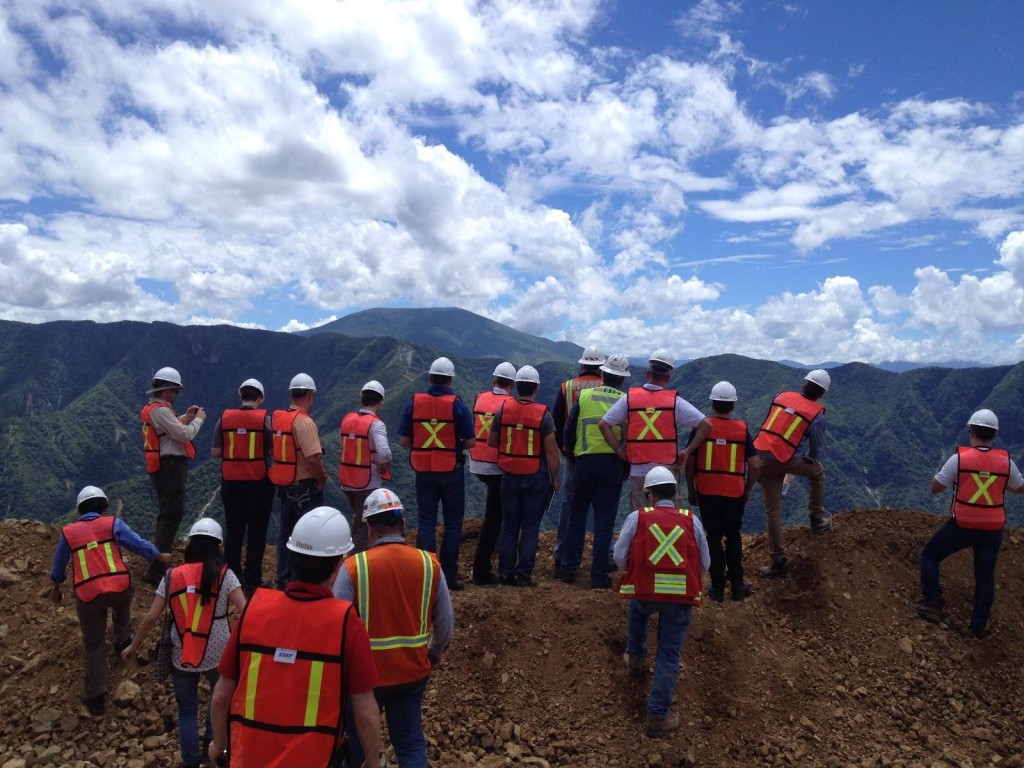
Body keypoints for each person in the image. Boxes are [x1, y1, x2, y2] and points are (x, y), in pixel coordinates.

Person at [208, 507, 382, 768]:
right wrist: (371, 760)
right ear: (338, 563)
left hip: (248, 758)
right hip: (316, 758)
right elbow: (366, 712)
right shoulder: (346, 622)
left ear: (293, 558)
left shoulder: (255, 610)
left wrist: (219, 746)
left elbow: (221, 697)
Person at [333, 489, 454, 767]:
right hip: (412, 672)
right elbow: (445, 622)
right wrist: (434, 651)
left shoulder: (354, 567)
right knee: (410, 742)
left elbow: (334, 624)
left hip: (364, 678)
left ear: (370, 528)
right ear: (402, 525)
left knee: (358, 744)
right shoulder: (428, 564)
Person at [121, 519, 246, 768]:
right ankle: (213, 748)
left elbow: (152, 616)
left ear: (190, 545)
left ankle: (189, 761)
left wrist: (133, 646)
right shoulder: (225, 575)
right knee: (217, 699)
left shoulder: (172, 576)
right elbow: (246, 611)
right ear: (218, 547)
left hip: (183, 651)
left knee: (187, 710)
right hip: (219, 651)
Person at [49, 485, 171, 717]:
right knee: (124, 597)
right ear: (102, 506)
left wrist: (56, 587)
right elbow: (139, 544)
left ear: (80, 509)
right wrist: (159, 556)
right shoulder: (112, 524)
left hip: (88, 596)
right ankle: (122, 639)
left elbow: (58, 568)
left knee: (93, 644)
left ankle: (95, 699)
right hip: (119, 588)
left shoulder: (68, 533)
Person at [910, 409, 1024, 638]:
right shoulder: (1006, 463)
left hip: (963, 524)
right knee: (985, 576)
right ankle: (979, 624)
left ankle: (933, 603)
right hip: (993, 528)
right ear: (994, 435)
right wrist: (998, 484)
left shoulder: (959, 459)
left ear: (971, 432)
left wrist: (947, 475)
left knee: (930, 556)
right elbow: (1020, 488)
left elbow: (936, 487)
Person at [614, 466, 709, 737]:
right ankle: (657, 717)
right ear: (674, 493)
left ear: (650, 495)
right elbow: (705, 563)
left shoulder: (638, 517)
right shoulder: (692, 520)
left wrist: (634, 569)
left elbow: (620, 556)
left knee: (637, 608)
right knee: (669, 654)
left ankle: (636, 658)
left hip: (645, 591)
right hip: (680, 597)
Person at [398, 356, 476, 590]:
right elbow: (471, 442)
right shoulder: (458, 405)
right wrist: (451, 445)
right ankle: (449, 576)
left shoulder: (414, 404)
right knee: (453, 523)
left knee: (426, 521)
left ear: (430, 377)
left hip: (423, 470)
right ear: (451, 380)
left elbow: (404, 441)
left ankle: (426, 575)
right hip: (451, 469)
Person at [599, 349, 711, 510]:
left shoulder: (630, 399)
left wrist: (618, 450)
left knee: (641, 519)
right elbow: (706, 425)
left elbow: (604, 424)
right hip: (667, 472)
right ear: (667, 378)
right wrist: (687, 451)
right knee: (670, 519)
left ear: (647, 374)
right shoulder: (675, 402)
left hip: (638, 471)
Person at [684, 381, 760, 602]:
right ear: (733, 406)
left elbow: (690, 463)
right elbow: (755, 466)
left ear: (712, 403)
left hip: (707, 491)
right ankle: (737, 584)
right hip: (734, 492)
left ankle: (717, 588)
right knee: (733, 536)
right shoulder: (742, 429)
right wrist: (746, 491)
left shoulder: (701, 427)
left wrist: (691, 490)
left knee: (714, 537)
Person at [560, 353, 630, 588]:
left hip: (584, 463)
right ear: (622, 380)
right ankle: (599, 576)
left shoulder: (585, 396)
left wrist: (572, 456)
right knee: (604, 521)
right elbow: (630, 439)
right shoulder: (626, 401)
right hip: (612, 465)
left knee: (576, 517)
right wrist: (626, 466)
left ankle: (569, 569)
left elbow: (569, 431)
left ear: (602, 374)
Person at [753, 369, 832, 578]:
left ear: (804, 385)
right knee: (818, 472)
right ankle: (816, 519)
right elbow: (816, 449)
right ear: (822, 393)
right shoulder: (816, 415)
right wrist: (809, 459)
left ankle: (778, 562)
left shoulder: (780, 397)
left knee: (773, 511)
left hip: (762, 456)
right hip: (788, 459)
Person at [488, 365, 560, 587]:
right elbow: (551, 451)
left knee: (509, 525)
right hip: (535, 476)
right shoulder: (543, 415)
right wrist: (555, 479)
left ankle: (505, 573)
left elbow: (492, 441)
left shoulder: (503, 410)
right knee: (530, 526)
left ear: (517, 386)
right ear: (536, 388)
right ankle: (524, 574)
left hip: (508, 475)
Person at [141, 366, 205, 585]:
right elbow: (183, 434)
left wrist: (186, 417)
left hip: (162, 467)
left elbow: (170, 427)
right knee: (172, 514)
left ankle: (157, 557)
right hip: (170, 468)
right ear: (168, 391)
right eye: (175, 391)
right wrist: (198, 420)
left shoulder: (155, 409)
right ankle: (157, 568)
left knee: (166, 513)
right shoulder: (160, 410)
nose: (176, 395)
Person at [210, 378, 275, 595]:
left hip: (231, 482)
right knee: (257, 532)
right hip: (259, 482)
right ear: (261, 397)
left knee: (234, 530)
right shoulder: (265, 419)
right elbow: (274, 451)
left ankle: (232, 578)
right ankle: (252, 580)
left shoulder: (224, 418)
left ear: (240, 396)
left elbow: (216, 453)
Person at [269, 373, 328, 589]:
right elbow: (313, 457)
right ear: (310, 395)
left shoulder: (279, 418)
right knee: (308, 535)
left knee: (286, 533)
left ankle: (284, 579)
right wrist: (321, 480)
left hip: (285, 484)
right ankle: (303, 580)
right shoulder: (304, 422)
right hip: (305, 485)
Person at [551, 346, 605, 576]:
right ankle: (604, 560)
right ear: (602, 368)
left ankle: (563, 554)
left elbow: (556, 423)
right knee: (603, 507)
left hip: (574, 455)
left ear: (581, 365)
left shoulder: (567, 387)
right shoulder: (607, 389)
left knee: (569, 505)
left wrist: (565, 449)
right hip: (604, 455)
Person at [468, 362, 516, 586]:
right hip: (497, 466)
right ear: (512, 385)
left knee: (496, 514)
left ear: (493, 380)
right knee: (494, 519)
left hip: (475, 462)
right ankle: (482, 570)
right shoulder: (510, 403)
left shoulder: (479, 397)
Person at [339, 380, 393, 553]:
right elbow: (385, 454)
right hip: (367, 482)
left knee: (358, 515)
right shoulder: (376, 424)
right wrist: (376, 460)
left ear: (361, 397)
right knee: (365, 523)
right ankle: (357, 563)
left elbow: (345, 446)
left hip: (346, 479)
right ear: (381, 401)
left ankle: (350, 550)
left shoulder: (346, 419)